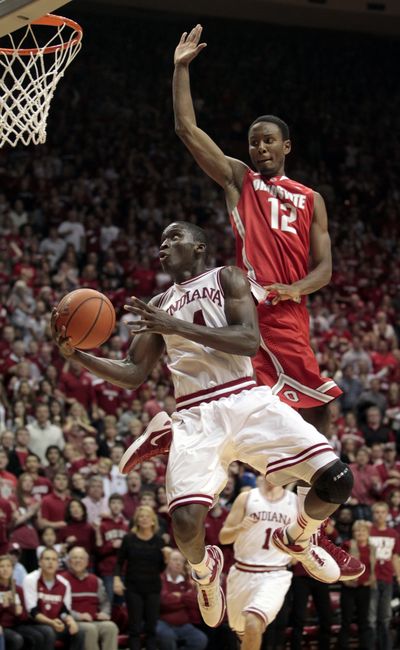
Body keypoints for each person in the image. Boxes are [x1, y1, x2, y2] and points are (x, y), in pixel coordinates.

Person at [52, 221, 363, 630]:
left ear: (198, 246)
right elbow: (131, 372)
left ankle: (303, 536)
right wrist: (77, 356)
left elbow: (248, 340)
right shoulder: (158, 302)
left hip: (246, 397)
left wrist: (176, 327)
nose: (163, 245)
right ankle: (205, 571)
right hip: (196, 414)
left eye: (173, 238)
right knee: (183, 524)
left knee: (337, 480)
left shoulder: (227, 277)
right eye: (160, 240)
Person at [219, 477, 297, 650]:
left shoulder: (296, 503)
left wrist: (297, 553)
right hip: (241, 572)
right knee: (243, 634)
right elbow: (224, 537)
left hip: (275, 574)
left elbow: (303, 543)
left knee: (253, 623)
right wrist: (239, 528)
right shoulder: (246, 497)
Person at [113, 505, 166, 650]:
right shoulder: (128, 539)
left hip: (153, 588)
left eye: (147, 516)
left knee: (151, 627)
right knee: (134, 627)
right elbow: (119, 562)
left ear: (153, 521)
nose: (144, 519)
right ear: (136, 520)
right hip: (133, 587)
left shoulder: (159, 541)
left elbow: (161, 568)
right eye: (141, 516)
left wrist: (166, 560)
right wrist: (117, 579)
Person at [23, 548, 85, 649]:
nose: (50, 562)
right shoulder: (31, 579)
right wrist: (51, 622)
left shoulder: (64, 583)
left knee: (79, 631)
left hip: (55, 623)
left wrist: (70, 621)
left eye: (54, 559)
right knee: (49, 632)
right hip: (33, 624)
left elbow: (64, 610)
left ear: (58, 563)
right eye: (47, 559)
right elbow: (32, 612)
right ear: (40, 562)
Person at [62, 546, 118, 650]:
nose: (78, 561)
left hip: (94, 620)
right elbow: (61, 608)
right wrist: (79, 616)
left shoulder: (96, 580)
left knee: (111, 627)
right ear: (69, 561)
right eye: (74, 558)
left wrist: (105, 613)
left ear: (87, 562)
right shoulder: (62, 580)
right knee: (90, 629)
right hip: (75, 621)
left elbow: (105, 602)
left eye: (81, 558)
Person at [156, 549, 208, 650]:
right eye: (175, 560)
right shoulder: (160, 579)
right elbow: (164, 602)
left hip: (183, 624)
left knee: (200, 639)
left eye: (181, 561)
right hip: (162, 621)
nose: (178, 563)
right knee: (167, 637)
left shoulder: (186, 582)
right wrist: (185, 599)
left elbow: (195, 601)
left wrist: (180, 596)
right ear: (167, 561)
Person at [338, 520, 376, 650]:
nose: (360, 533)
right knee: (346, 620)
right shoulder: (347, 545)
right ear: (353, 533)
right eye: (357, 531)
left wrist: (372, 580)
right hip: (348, 588)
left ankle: (365, 647)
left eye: (363, 530)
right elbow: (338, 563)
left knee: (363, 621)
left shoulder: (372, 548)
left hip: (364, 588)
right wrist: (344, 580)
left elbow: (373, 567)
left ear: (368, 533)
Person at [368, 502, 400, 650]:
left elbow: (395, 557)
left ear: (387, 514)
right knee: (371, 618)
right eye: (376, 512)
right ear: (372, 514)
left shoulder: (393, 534)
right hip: (371, 580)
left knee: (385, 617)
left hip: (387, 579)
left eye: (382, 512)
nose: (379, 515)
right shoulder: (368, 531)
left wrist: (399, 576)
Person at [0, 553, 45, 650]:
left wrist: (19, 613)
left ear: (12, 569)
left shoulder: (18, 589)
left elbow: (24, 616)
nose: (5, 569)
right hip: (2, 626)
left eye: (8, 566)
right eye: (2, 566)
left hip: (16, 624)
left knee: (38, 636)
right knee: (16, 639)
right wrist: (3, 606)